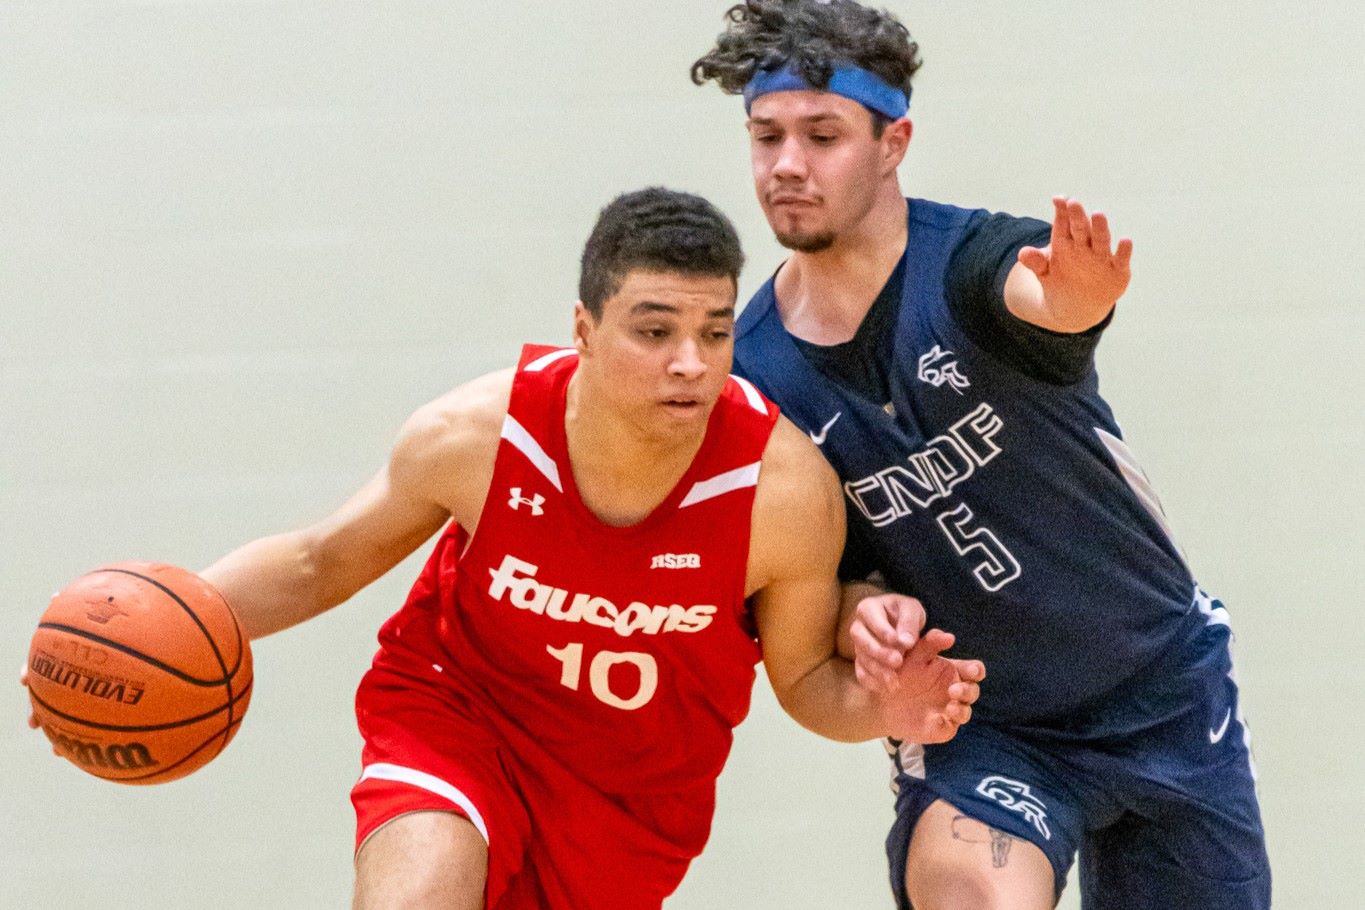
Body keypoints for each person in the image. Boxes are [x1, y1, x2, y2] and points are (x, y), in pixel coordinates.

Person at [25, 187, 983, 909]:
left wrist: (880, 706)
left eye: (713, 331)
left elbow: (804, 681)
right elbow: (321, 560)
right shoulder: (476, 437)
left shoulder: (781, 492)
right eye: (654, 331)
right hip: (458, 715)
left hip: (629, 797)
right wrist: (132, 644)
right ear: (584, 330)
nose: (688, 362)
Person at [692, 2, 1270, 908]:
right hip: (984, 723)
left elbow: (1036, 300)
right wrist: (864, 619)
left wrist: (1074, 303)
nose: (787, 164)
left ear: (893, 142)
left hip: (1160, 685)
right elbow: (830, 582)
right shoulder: (755, 376)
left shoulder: (966, 263)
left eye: (822, 135)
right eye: (766, 137)